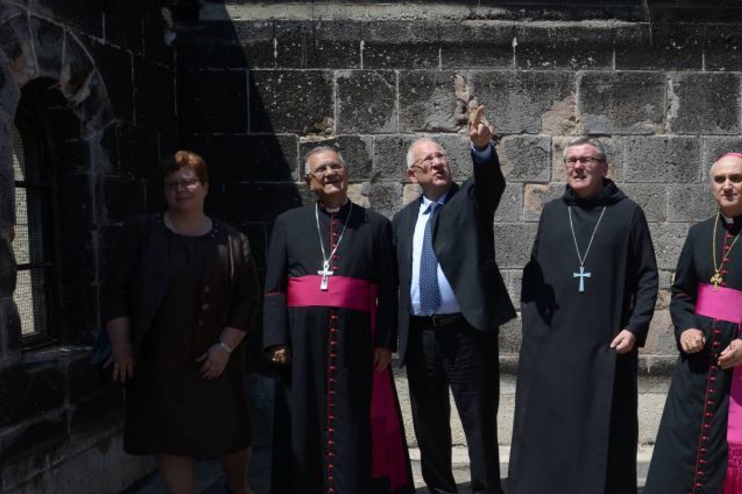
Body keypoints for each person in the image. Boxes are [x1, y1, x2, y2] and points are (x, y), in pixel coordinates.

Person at [644, 152, 742, 494]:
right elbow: (682, 292)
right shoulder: (699, 233)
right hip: (698, 361)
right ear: (711, 186)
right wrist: (686, 327)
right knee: (685, 437)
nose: (727, 186)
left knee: (740, 449)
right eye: (719, 179)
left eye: (736, 178)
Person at [507, 136, 659, 493]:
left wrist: (635, 327)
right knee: (550, 424)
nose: (577, 166)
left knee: (601, 427)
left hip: (606, 342)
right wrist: (533, 327)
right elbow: (534, 274)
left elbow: (648, 277)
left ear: (604, 167)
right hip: (553, 344)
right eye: (571, 160)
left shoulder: (628, 214)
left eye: (586, 160)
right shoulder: (552, 212)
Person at [103, 150, 259, 494]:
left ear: (205, 186)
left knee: (231, 429)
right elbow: (116, 290)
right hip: (160, 357)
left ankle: (239, 488)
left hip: (216, 357)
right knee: (170, 435)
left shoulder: (233, 240)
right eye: (171, 183)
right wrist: (121, 345)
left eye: (188, 181)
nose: (180, 189)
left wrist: (224, 348)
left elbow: (247, 300)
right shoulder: (141, 231)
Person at [263, 146, 413, 494]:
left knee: (352, 418)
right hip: (300, 341)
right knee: (301, 418)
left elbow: (389, 291)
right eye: (321, 170)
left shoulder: (375, 225)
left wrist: (384, 341)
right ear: (309, 181)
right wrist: (276, 339)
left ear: (346, 173)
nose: (330, 173)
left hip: (355, 342)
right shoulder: (288, 223)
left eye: (335, 166)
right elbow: (273, 287)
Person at [392, 107, 516, 494]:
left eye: (441, 155)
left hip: (466, 332)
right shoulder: (403, 220)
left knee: (478, 421)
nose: (437, 162)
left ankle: (485, 489)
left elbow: (490, 183)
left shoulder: (470, 201)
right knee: (428, 423)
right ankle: (440, 489)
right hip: (420, 336)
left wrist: (482, 148)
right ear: (413, 174)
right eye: (427, 159)